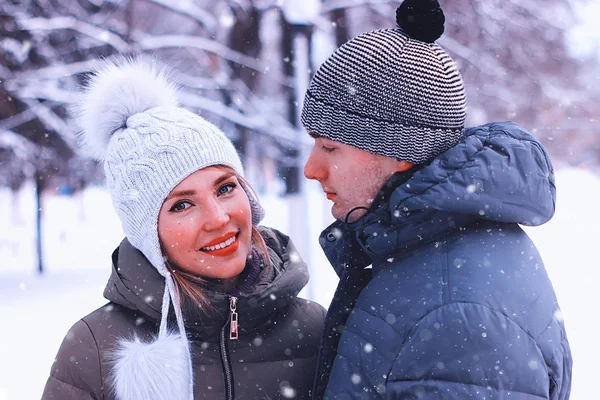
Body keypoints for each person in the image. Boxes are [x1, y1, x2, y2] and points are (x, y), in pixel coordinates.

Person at [301, 0, 572, 399]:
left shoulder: (453, 313)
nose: (310, 169)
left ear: (399, 152)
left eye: (330, 147)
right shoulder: (429, 242)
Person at [41, 57, 326, 400]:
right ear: (148, 233)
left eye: (225, 187)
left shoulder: (313, 329)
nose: (219, 218)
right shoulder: (95, 348)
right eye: (182, 205)